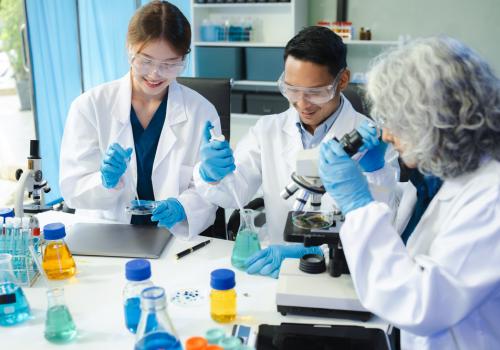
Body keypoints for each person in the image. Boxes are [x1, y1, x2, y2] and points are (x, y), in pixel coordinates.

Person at [319, 37, 500, 349]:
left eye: (397, 122)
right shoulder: (444, 178)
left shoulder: (491, 197)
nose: (387, 134)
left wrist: (357, 204)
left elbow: (420, 304)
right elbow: (398, 245)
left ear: (437, 121)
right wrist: (374, 174)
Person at [194, 26, 399, 278]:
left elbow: (385, 226)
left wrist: (377, 170)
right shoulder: (267, 130)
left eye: (315, 92)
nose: (302, 104)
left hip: (346, 270)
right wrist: (211, 173)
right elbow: (233, 195)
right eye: (292, 90)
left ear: (342, 81)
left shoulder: (373, 140)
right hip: (276, 266)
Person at [60, 1, 221, 239]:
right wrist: (105, 182)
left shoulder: (201, 112)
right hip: (105, 237)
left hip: (174, 240)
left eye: (169, 64)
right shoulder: (90, 107)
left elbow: (211, 189)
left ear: (183, 59)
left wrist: (183, 207)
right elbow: (73, 189)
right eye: (146, 61)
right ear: (129, 48)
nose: (155, 74)